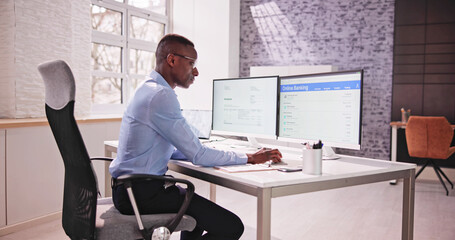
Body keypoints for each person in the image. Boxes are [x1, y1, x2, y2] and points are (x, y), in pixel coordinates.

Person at [109, 33, 282, 240]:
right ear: (172, 60)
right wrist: (250, 157)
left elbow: (170, 150)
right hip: (142, 194)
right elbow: (199, 155)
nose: (196, 71)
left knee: (196, 218)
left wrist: (203, 152)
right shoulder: (161, 95)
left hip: (128, 190)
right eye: (191, 63)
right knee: (232, 227)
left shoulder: (147, 88)